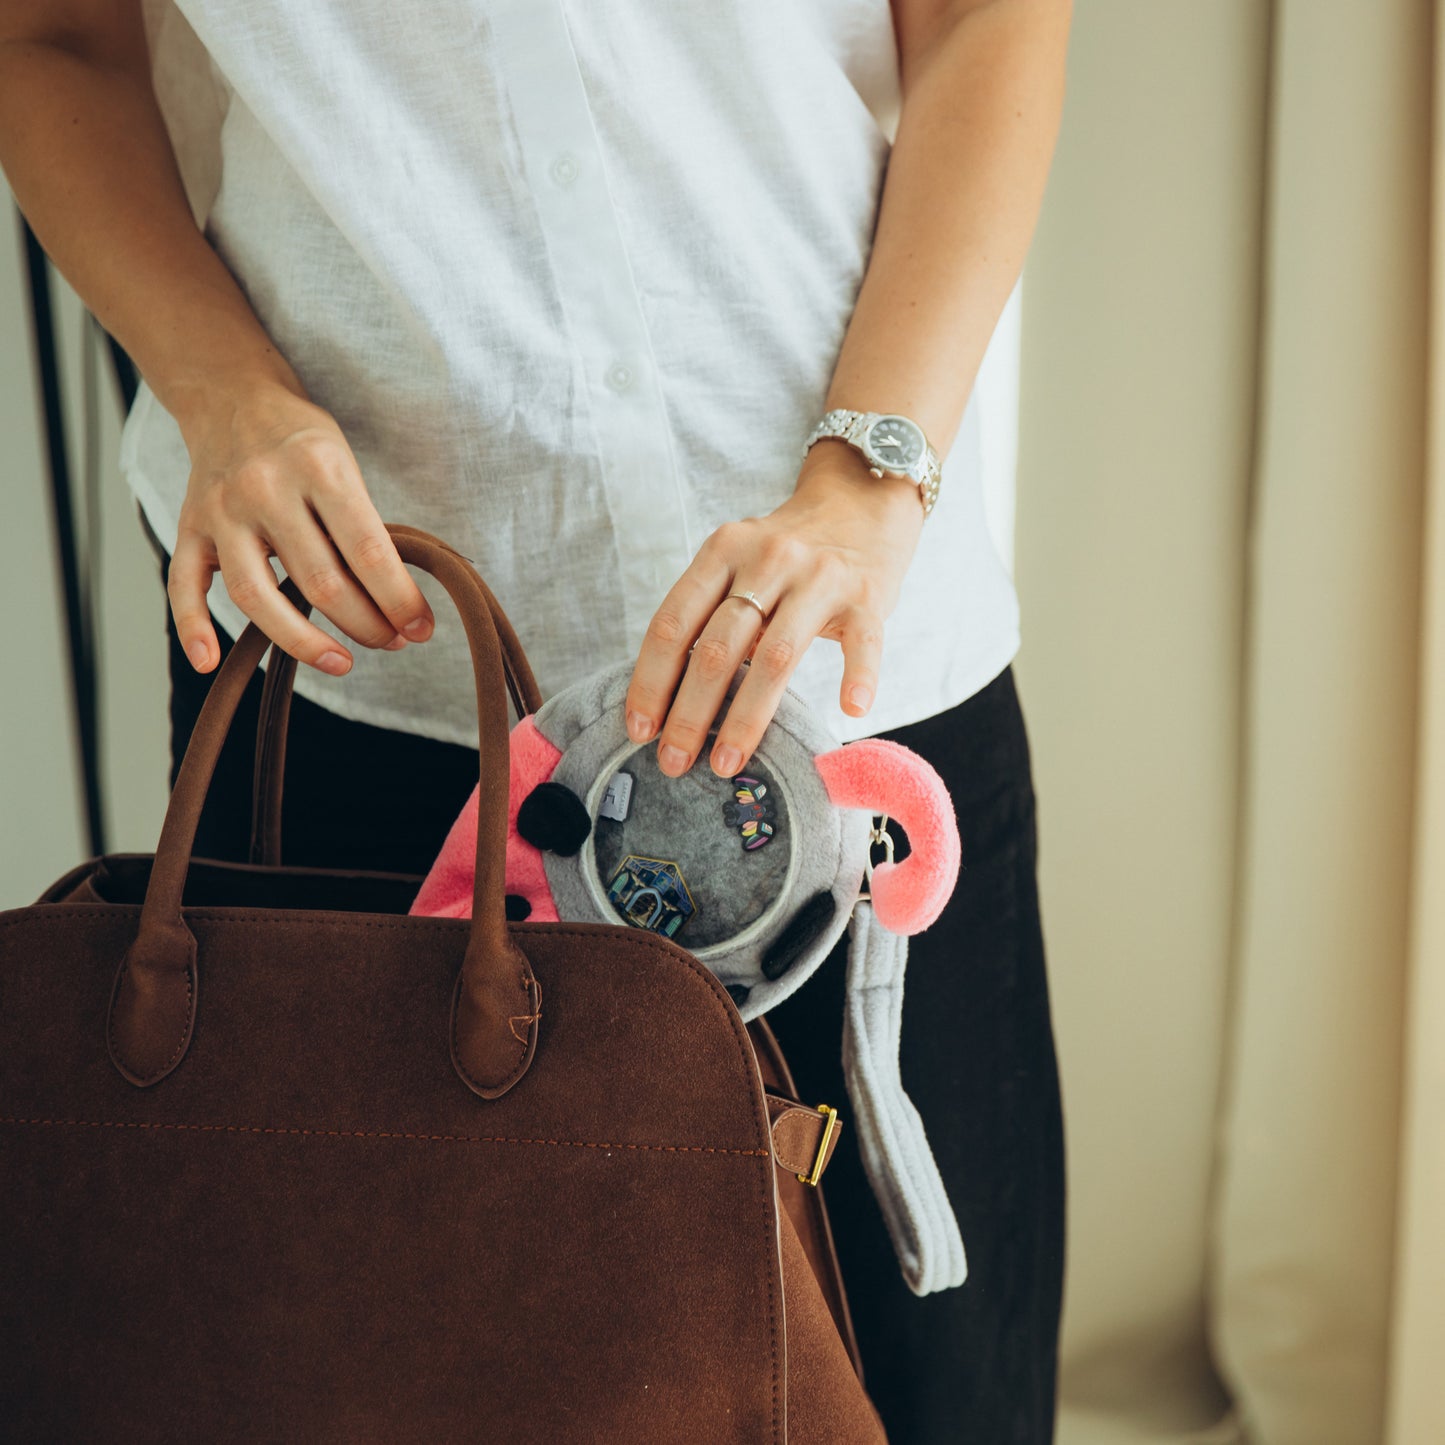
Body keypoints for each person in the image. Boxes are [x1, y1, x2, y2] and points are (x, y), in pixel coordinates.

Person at [0, 0, 1073, 1438]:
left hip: (850, 668)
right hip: (358, 662)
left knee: (937, 1392)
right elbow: (48, 40)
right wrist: (216, 388)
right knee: (378, 1384)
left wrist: (872, 472)